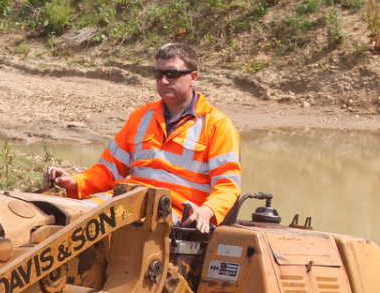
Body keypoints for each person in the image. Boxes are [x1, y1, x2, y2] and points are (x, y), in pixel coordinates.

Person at [44, 42, 241, 232]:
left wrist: (207, 212)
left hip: (175, 211)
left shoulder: (217, 125)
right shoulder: (141, 116)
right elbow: (109, 169)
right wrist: (75, 182)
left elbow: (227, 185)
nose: (164, 81)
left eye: (172, 74)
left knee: (117, 228)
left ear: (193, 77)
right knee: (70, 216)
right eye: (159, 74)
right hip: (126, 198)